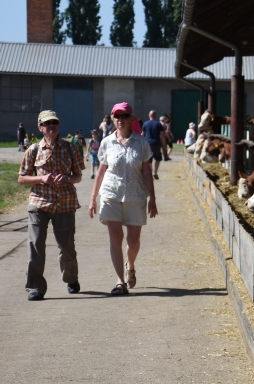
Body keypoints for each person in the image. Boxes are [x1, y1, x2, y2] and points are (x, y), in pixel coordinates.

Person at [89, 102, 157, 296]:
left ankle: (131, 264)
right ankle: (120, 281)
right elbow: (101, 171)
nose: (120, 120)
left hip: (135, 195)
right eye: (117, 117)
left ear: (131, 119)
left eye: (124, 116)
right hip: (111, 193)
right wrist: (93, 198)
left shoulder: (141, 143)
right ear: (112, 119)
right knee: (115, 237)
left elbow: (146, 172)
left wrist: (153, 198)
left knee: (133, 241)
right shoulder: (106, 143)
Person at [18, 110, 84, 301]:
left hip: (64, 203)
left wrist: (67, 179)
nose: (51, 126)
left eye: (54, 123)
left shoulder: (70, 148)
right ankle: (35, 287)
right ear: (40, 128)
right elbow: (22, 179)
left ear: (59, 126)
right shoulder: (33, 150)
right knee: (36, 246)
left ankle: (71, 279)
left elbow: (78, 176)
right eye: (47, 124)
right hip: (39, 204)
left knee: (66, 246)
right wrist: (41, 178)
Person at [141, 110, 166, 180]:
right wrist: (164, 146)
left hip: (147, 144)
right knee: (158, 159)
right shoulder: (158, 124)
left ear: (149, 115)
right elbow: (162, 136)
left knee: (148, 160)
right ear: (155, 116)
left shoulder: (145, 124)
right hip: (156, 143)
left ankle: (150, 173)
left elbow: (142, 134)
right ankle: (155, 172)